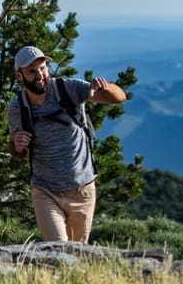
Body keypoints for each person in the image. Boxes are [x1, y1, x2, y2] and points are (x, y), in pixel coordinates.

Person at [7, 46, 126, 243]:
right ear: (19, 76)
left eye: (42, 68)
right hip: (45, 192)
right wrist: (17, 147)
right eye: (31, 71)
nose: (39, 75)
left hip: (82, 189)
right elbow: (14, 148)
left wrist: (105, 87)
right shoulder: (17, 108)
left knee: (77, 253)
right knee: (57, 250)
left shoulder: (68, 89)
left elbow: (119, 98)